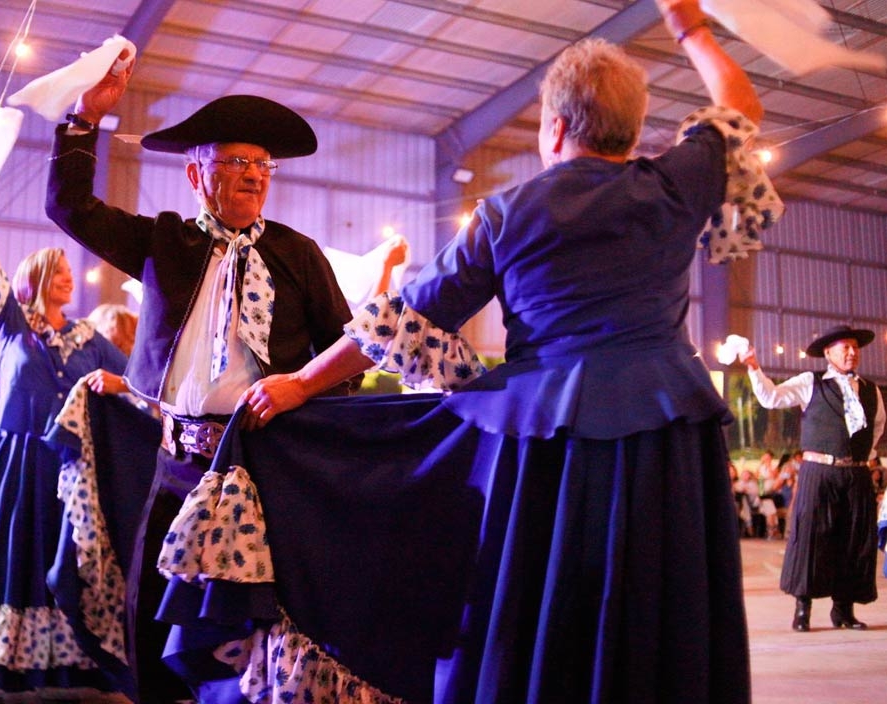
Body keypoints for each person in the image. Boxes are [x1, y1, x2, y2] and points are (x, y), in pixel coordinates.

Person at [217, 2, 779, 701]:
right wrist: (690, 26)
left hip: (547, 440)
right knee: (654, 601)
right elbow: (739, 105)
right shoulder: (674, 185)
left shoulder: (505, 215)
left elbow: (395, 322)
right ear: (634, 132)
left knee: (539, 605)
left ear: (555, 127)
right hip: (664, 438)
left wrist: (302, 382)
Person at [48, 74, 359, 701]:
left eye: (262, 163)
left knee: (259, 627)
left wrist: (319, 429)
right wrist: (83, 121)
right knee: (152, 616)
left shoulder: (300, 256)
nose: (254, 174)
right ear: (196, 176)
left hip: (266, 464)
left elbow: (344, 355)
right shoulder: (164, 242)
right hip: (177, 461)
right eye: (237, 161)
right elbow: (70, 209)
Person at [0, 180, 136, 698]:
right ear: (36, 279)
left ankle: (77, 659)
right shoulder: (12, 327)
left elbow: (140, 380)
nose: (67, 278)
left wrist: (118, 382)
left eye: (68, 272)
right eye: (58, 271)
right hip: (16, 466)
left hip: (71, 471)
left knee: (66, 564)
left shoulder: (89, 339)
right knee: (8, 562)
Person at [742, 324, 883, 631]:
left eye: (855, 347)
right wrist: (754, 366)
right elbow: (771, 398)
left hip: (856, 473)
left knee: (853, 540)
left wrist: (860, 455)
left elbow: (878, 426)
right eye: (845, 347)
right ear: (828, 353)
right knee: (811, 538)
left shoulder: (871, 390)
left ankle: (843, 610)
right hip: (818, 472)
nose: (852, 352)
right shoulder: (811, 382)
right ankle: (802, 609)